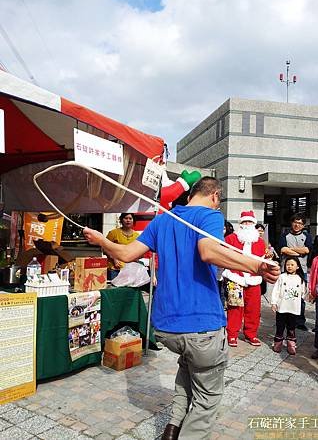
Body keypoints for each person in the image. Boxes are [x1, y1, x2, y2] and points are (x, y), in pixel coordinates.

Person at [83, 177, 280, 440]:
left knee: (188, 370)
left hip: (166, 328)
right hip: (201, 326)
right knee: (207, 398)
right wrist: (256, 266)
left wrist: (101, 240)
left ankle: (172, 428)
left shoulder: (164, 219)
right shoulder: (210, 215)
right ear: (215, 196)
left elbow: (126, 254)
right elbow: (208, 251)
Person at [222, 211, 266, 347]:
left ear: (254, 224)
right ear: (240, 223)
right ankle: (232, 334)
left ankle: (251, 334)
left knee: (253, 309)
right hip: (235, 277)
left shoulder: (260, 242)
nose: (247, 225)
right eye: (244, 222)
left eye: (250, 222)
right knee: (235, 307)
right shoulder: (230, 238)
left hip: (254, 279)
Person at [280, 213, 312, 331]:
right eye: (295, 222)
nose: (297, 225)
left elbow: (307, 249)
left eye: (300, 223)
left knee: (300, 296)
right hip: (286, 269)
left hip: (301, 270)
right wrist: (299, 253)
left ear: (303, 225)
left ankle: (300, 320)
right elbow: (283, 249)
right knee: (285, 294)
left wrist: (290, 250)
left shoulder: (306, 235)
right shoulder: (285, 235)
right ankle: (284, 317)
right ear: (291, 223)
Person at [271, 257, 306, 355]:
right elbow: (276, 290)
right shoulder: (282, 277)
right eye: (287, 265)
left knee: (291, 327)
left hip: (293, 308)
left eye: (292, 265)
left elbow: (303, 293)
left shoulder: (300, 279)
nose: (289, 267)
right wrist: (274, 302)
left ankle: (291, 343)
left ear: (298, 266)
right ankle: (278, 342)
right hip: (282, 307)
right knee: (280, 326)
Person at [106, 213, 139, 280]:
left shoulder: (137, 235)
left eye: (130, 218)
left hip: (131, 269)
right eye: (126, 218)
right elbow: (105, 248)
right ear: (121, 220)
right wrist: (114, 258)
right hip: (115, 269)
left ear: (133, 221)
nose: (128, 220)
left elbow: (139, 251)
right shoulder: (113, 233)